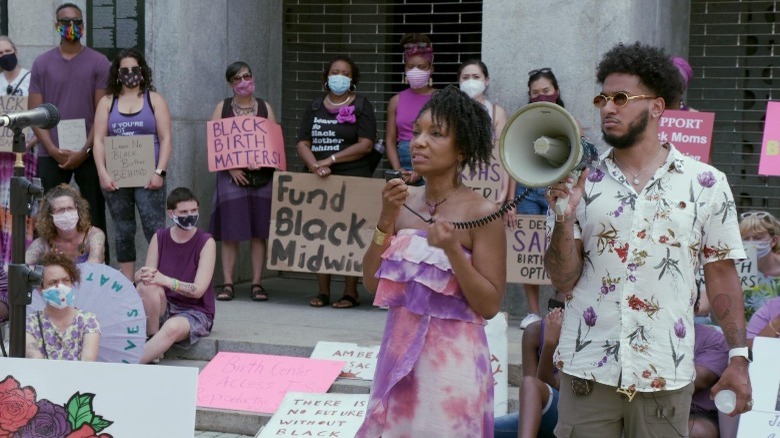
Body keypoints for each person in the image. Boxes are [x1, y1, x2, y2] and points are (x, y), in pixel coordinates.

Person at [544, 42, 752, 437]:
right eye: (602, 97)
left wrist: (738, 357)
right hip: (587, 372)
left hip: (665, 375)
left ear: (657, 107)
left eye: (621, 98)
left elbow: (722, 275)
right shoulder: (579, 181)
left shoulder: (706, 183)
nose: (607, 107)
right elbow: (562, 280)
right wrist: (562, 217)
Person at [357, 86, 506, 436]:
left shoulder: (483, 213)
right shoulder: (402, 201)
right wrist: (385, 219)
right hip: (398, 359)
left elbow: (489, 304)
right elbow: (372, 284)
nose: (419, 142)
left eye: (436, 134)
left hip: (453, 369)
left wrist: (453, 250)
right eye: (418, 132)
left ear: (462, 150)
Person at [28, 3, 110, 262]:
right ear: (57, 26)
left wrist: (85, 150)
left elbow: (102, 112)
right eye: (65, 22)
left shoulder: (99, 62)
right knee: (46, 212)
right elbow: (34, 111)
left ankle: (98, 270)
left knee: (93, 212)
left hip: (88, 152)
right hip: (50, 151)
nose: (71, 27)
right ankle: (43, 269)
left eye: (76, 21)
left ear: (83, 26)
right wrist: (51, 148)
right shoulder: (42, 63)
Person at [296, 55, 377, 309]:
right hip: (318, 180)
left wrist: (330, 159)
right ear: (326, 77)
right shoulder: (314, 105)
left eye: (344, 72)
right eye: (334, 71)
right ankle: (322, 291)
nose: (339, 76)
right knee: (322, 233)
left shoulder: (363, 105)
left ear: (352, 79)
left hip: (353, 177)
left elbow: (366, 144)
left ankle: (350, 292)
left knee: (349, 235)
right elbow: (302, 142)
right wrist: (314, 165)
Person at [93, 47, 172, 281]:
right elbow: (98, 141)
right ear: (117, 74)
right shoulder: (108, 102)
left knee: (154, 229)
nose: (130, 74)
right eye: (124, 70)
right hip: (116, 179)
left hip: (149, 177)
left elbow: (166, 138)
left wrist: (160, 171)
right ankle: (128, 283)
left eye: (134, 69)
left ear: (143, 72)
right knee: (123, 230)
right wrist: (103, 174)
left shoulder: (154, 99)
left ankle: (157, 278)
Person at [209, 61, 277, 302]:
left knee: (259, 232)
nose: (243, 82)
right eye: (237, 79)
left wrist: (264, 159)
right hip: (231, 177)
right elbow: (215, 142)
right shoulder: (222, 107)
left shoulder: (265, 107)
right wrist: (232, 167)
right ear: (230, 84)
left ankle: (257, 283)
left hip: (262, 177)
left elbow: (274, 142)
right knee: (231, 232)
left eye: (246, 76)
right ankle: (228, 283)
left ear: (253, 78)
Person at [135, 187, 216, 364]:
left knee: (172, 327)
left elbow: (198, 290)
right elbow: (149, 277)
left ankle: (127, 365)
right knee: (145, 286)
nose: (190, 215)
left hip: (195, 312)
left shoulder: (206, 241)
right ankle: (153, 340)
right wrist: (141, 275)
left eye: (194, 210)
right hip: (164, 306)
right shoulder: (160, 237)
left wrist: (166, 280)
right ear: (171, 213)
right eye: (184, 211)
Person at [517, 67, 568, 330]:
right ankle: (533, 311)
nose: (540, 96)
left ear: (556, 92)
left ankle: (558, 307)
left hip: (555, 191)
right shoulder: (523, 123)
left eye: (545, 91)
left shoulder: (569, 122)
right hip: (526, 190)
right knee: (529, 249)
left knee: (559, 245)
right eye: (535, 93)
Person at [457, 59, 515, 225]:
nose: (470, 81)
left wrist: (507, 196)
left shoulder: (497, 113)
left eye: (476, 76)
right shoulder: (451, 112)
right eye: (466, 77)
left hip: (490, 194)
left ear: (486, 80)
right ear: (459, 81)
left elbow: (505, 155)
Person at [494, 304, 564, 438]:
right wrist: (548, 341)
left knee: (530, 384)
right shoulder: (533, 331)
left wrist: (549, 344)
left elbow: (555, 386)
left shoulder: (584, 333)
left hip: (565, 415)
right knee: (478, 428)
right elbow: (532, 394)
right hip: (538, 419)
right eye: (556, 305)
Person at [0, 35, 37, 270]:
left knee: (22, 209)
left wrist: (30, 143)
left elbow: (41, 116)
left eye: (7, 50)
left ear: (17, 50)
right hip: (1, 158)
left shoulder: (32, 80)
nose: (5, 56)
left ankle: (20, 263)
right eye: (0, 54)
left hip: (26, 155)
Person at [25, 251, 100, 361]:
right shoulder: (30, 323)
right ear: (40, 289)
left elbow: (88, 362)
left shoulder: (88, 321)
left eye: (66, 280)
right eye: (53, 282)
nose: (60, 287)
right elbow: (36, 361)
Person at [385, 33, 435, 186]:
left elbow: (444, 136)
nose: (415, 71)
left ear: (431, 69)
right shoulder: (396, 100)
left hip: (432, 163)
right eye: (411, 67)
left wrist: (422, 170)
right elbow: (390, 139)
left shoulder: (440, 98)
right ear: (405, 69)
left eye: (421, 67)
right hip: (403, 167)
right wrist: (398, 169)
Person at [26, 184, 105, 265]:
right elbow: (22, 267)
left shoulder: (94, 236)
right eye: (60, 210)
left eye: (70, 208)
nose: (66, 214)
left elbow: (94, 267)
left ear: (78, 209)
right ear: (49, 216)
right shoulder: (43, 243)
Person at [739, 210, 780, 320]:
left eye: (757, 238)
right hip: (748, 334)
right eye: (746, 239)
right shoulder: (739, 269)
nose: (751, 243)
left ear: (773, 241)